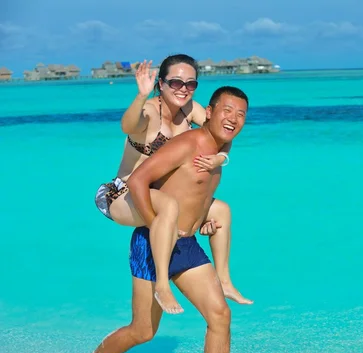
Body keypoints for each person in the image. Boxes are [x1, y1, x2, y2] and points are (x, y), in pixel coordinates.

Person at [78, 86, 249, 353]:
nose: (233, 119)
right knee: (143, 331)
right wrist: (156, 223)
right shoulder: (188, 142)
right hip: (153, 242)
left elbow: (196, 194)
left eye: (240, 114)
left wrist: (201, 218)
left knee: (220, 315)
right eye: (226, 110)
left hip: (187, 244)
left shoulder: (223, 148)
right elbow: (140, 179)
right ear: (208, 112)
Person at [94, 54, 252, 314]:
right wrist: (140, 96)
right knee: (167, 208)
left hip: (159, 194)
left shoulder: (191, 110)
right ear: (161, 84)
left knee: (221, 210)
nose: (183, 89)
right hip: (124, 193)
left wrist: (221, 158)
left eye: (191, 84)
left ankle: (224, 280)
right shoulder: (149, 111)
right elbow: (127, 126)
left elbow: (225, 129)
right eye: (176, 82)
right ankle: (162, 285)